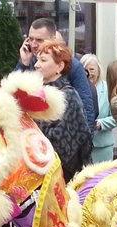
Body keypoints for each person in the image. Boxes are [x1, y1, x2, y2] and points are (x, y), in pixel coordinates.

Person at [16, 18, 95, 131]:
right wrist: (23, 63)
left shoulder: (74, 66)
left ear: (53, 40)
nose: (33, 44)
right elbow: (14, 95)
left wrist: (88, 141)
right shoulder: (30, 60)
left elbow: (86, 107)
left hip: (62, 136)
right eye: (30, 39)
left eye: (39, 40)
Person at [33, 41, 92, 181]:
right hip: (37, 169)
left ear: (60, 66)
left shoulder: (68, 96)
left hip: (62, 175)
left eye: (43, 60)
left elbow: (64, 143)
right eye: (37, 60)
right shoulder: (36, 92)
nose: (36, 65)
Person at [81, 54, 116, 164]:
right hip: (82, 147)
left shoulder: (107, 88)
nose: (89, 73)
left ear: (98, 70)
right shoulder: (76, 89)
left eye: (92, 69)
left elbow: (116, 117)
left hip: (103, 147)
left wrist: (101, 124)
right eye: (86, 70)